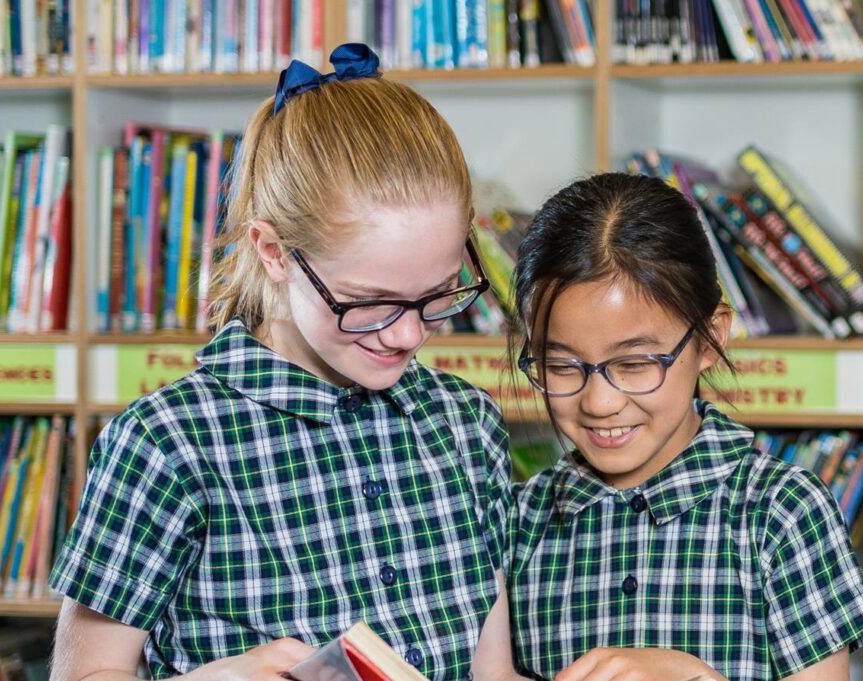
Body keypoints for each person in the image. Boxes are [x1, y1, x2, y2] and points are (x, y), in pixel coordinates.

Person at [49, 44, 519, 681]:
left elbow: (495, 674)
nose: (409, 334)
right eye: (368, 302)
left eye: (437, 294)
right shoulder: (166, 443)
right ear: (272, 252)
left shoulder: (465, 424)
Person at [504, 173, 863, 681]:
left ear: (710, 338)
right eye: (562, 366)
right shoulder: (520, 521)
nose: (600, 402)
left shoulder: (781, 512)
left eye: (636, 363)